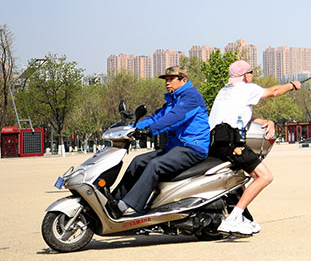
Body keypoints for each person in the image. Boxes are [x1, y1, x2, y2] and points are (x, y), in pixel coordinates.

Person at [209, 60, 300, 235]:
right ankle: (234, 218)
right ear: (244, 75)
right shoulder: (245, 89)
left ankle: (245, 219)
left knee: (238, 180)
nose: (252, 76)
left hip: (216, 142)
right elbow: (273, 92)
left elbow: (238, 116)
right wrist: (292, 85)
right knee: (264, 176)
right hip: (232, 143)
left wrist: (265, 121)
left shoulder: (224, 91)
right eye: (250, 72)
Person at [113, 66, 210, 216]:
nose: (167, 83)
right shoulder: (173, 100)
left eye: (171, 79)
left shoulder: (191, 96)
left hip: (192, 147)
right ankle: (114, 200)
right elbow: (156, 117)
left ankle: (129, 205)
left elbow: (174, 118)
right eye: (166, 80)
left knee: (155, 165)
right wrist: (132, 127)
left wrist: (150, 130)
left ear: (184, 80)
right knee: (138, 161)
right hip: (175, 148)